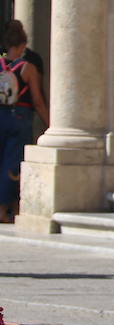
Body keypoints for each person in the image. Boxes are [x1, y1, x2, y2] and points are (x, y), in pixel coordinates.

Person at [0, 20, 48, 223]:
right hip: (20, 118)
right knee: (13, 166)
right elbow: (37, 100)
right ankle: (3, 210)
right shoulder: (27, 68)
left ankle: (11, 207)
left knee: (2, 161)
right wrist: (50, 123)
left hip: (1, 117)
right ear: (21, 45)